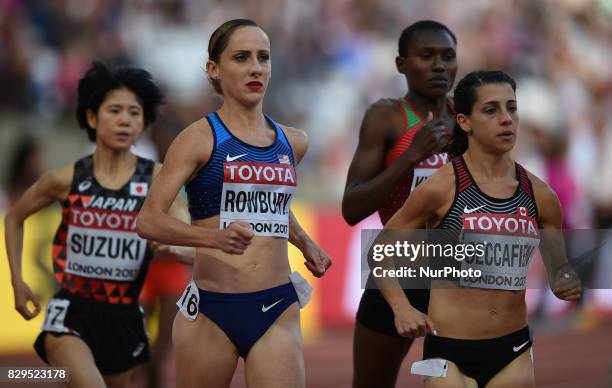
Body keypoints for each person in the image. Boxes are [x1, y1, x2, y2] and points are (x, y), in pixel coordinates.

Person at [136, 19, 332, 388]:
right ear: (214, 69)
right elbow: (148, 221)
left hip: (276, 304)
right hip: (212, 308)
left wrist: (304, 241)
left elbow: (271, 204)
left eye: (263, 58)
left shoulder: (294, 142)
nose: (255, 68)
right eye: (241, 58)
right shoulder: (197, 139)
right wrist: (213, 239)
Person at [380, 70, 581, 387]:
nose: (506, 119)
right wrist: (401, 308)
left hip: (512, 351)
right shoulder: (442, 188)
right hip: (445, 353)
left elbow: (560, 270)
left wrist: (564, 278)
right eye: (491, 110)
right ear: (464, 121)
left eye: (511, 108)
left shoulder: (541, 196)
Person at [5, 61, 169, 388]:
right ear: (92, 117)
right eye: (115, 110)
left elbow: (182, 233)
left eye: (135, 113)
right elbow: (14, 217)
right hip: (71, 312)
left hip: (125, 317)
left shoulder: (158, 178)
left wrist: (181, 247)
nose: (125, 120)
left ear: (144, 122)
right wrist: (17, 281)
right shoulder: (66, 178)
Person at [341, 20, 457, 388]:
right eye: (426, 56)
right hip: (400, 271)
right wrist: (412, 156)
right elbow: (351, 208)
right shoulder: (387, 116)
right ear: (400, 64)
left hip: (457, 273)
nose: (439, 65)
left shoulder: (468, 120)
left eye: (448, 56)